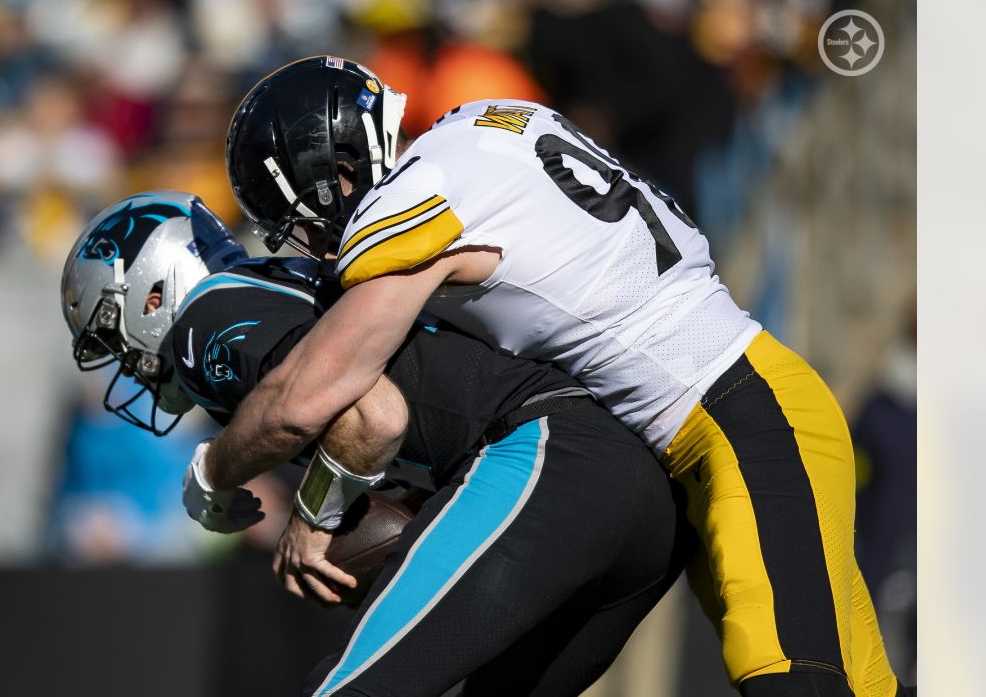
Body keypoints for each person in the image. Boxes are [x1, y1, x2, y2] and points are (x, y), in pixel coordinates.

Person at [213, 56, 905, 697]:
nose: (308, 240)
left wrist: (226, 480)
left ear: (328, 171)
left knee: (793, 679)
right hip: (734, 409)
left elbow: (306, 396)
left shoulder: (413, 204)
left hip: (738, 418)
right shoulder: (486, 122)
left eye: (296, 218)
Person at [59, 190, 692, 696]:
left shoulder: (210, 315)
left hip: (552, 456)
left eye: (114, 331)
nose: (126, 360)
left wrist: (261, 494)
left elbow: (373, 416)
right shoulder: (286, 284)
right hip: (640, 489)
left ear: (152, 291)